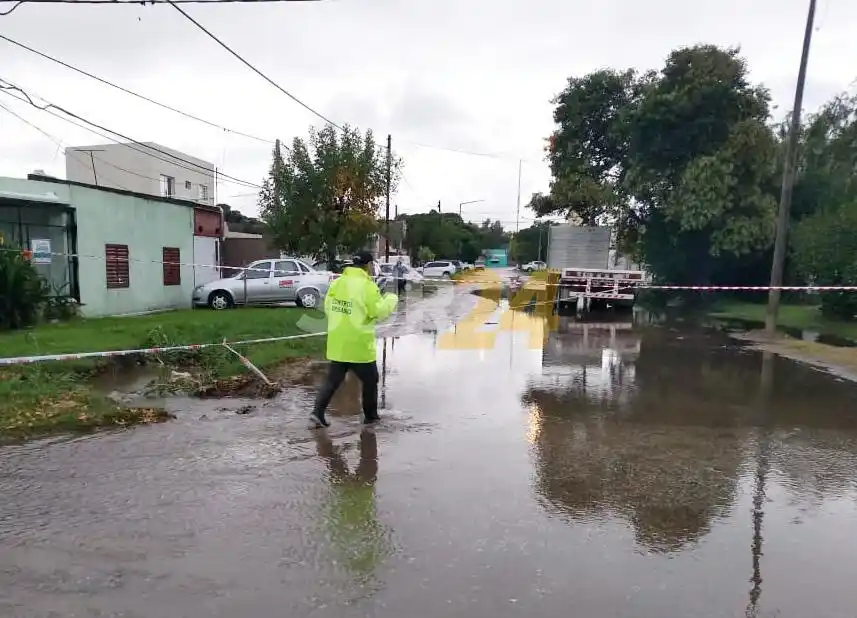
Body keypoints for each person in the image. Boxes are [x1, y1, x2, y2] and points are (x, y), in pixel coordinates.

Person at [310, 251, 398, 428]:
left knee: (333, 380)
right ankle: (371, 417)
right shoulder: (367, 286)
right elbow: (378, 312)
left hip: (338, 342)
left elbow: (328, 306)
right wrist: (391, 298)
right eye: (372, 265)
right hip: (358, 344)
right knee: (371, 379)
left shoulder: (338, 282)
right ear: (368, 265)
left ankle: (317, 412)